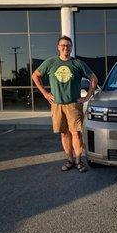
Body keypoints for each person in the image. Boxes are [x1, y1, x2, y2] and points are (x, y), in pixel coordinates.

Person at [32, 35, 98, 173]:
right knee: (64, 134)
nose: (65, 48)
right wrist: (45, 93)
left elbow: (93, 78)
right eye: (63, 45)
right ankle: (70, 160)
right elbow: (35, 75)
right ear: (58, 47)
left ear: (71, 47)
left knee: (76, 134)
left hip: (73, 105)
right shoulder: (50, 63)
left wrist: (87, 97)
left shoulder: (77, 64)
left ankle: (79, 161)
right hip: (57, 105)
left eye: (68, 45)